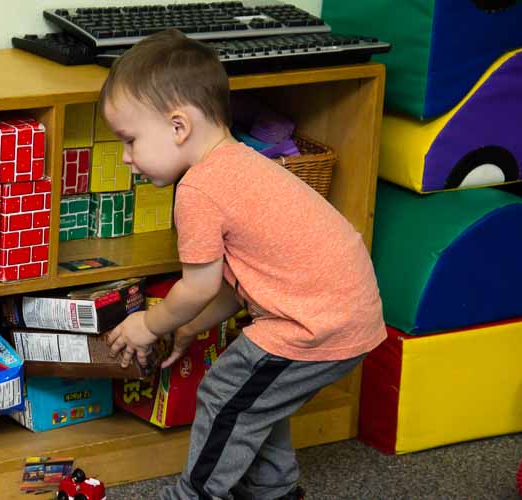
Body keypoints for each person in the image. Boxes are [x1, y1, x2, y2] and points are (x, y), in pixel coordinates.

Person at [101, 29, 387, 500]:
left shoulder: (198, 190)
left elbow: (196, 287)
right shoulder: (241, 164)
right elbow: (239, 285)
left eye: (130, 141)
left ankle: (192, 495)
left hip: (311, 323)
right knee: (253, 400)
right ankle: (272, 492)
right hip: (344, 312)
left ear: (178, 127)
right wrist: (192, 326)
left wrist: (148, 324)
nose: (128, 159)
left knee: (223, 395)